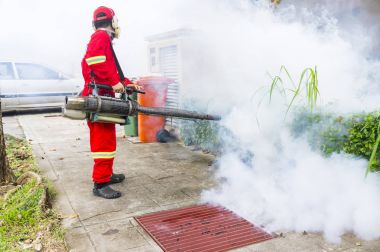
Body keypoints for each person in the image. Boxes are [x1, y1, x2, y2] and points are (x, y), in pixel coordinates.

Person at [81, 6, 139, 199]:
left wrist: (127, 83)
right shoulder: (101, 37)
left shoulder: (102, 39)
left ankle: (107, 174)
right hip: (99, 97)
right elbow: (95, 61)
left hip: (103, 96)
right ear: (113, 22)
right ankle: (100, 184)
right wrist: (115, 83)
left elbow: (110, 69)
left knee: (108, 140)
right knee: (103, 142)